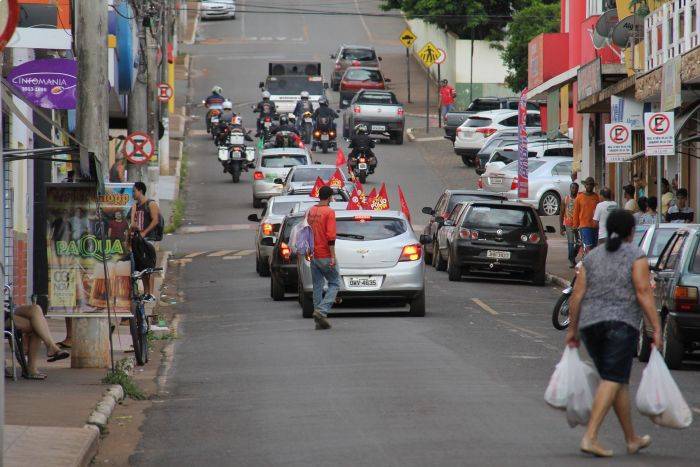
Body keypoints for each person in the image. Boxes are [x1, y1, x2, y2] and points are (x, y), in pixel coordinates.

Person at [565, 209, 662, 457]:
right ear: (631, 232)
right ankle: (590, 437)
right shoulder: (636, 255)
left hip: (590, 326)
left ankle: (631, 439)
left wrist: (573, 329)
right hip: (620, 324)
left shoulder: (592, 257)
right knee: (613, 378)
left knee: (617, 380)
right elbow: (643, 291)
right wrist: (655, 328)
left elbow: (577, 295)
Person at [307, 186, 339, 331]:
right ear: (330, 197)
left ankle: (319, 320)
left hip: (313, 254)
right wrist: (332, 256)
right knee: (335, 282)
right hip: (325, 254)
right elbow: (331, 236)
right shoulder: (329, 212)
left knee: (317, 286)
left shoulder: (312, 211)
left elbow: (307, 231)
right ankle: (321, 311)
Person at [8, 304, 70, 379]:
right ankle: (31, 368)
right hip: (4, 314)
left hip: (10, 309)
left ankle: (51, 347)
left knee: (36, 309)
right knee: (37, 325)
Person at [129, 182, 160, 302]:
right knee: (142, 267)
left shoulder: (151, 204)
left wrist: (144, 232)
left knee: (149, 267)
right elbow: (132, 224)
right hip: (138, 241)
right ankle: (146, 292)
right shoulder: (136, 206)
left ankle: (150, 293)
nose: (132, 194)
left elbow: (155, 220)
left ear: (140, 191)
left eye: (134, 191)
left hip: (148, 240)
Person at [573, 177, 601, 251]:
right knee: (588, 248)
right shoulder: (579, 198)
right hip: (584, 226)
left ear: (593, 186)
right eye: (587, 184)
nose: (589, 186)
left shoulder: (597, 197)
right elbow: (576, 212)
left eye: (591, 185)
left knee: (595, 248)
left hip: (595, 226)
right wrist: (575, 226)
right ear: (585, 185)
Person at [560, 182, 579, 267]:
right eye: (572, 188)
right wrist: (561, 227)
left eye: (576, 188)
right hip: (568, 223)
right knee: (571, 243)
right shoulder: (565, 199)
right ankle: (571, 260)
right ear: (570, 188)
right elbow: (561, 213)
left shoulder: (579, 198)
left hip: (578, 224)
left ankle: (572, 255)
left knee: (579, 242)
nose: (574, 190)